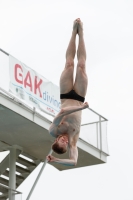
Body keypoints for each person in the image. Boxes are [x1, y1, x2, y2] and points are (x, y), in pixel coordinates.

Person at [47, 18, 88, 166]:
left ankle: (73, 32)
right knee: (81, 66)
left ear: (56, 139)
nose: (64, 140)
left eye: (61, 140)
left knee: (69, 64)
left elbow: (62, 111)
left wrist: (82, 108)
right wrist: (56, 160)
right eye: (65, 143)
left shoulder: (53, 130)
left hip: (66, 96)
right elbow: (73, 161)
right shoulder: (73, 140)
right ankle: (81, 33)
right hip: (79, 97)